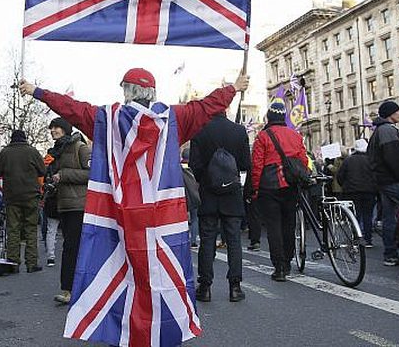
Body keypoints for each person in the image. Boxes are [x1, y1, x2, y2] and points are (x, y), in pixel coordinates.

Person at [19, 68, 249, 342]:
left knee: (118, 269)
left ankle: (122, 327)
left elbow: (72, 109)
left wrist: (38, 91)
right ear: (152, 92)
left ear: (127, 91)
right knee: (159, 272)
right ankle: (160, 326)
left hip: (118, 211)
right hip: (162, 214)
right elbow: (205, 107)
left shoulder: (107, 118)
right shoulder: (173, 118)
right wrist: (233, 88)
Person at [189, 111, 251, 302]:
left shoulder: (200, 131)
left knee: (207, 240)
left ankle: (205, 287)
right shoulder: (239, 131)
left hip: (209, 193)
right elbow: (245, 164)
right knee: (233, 241)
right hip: (231, 193)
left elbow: (194, 165)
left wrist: (208, 177)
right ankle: (235, 287)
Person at [251, 101, 308, 282]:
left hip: (269, 186)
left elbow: (257, 165)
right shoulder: (295, 135)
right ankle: (288, 261)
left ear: (269, 117)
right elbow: (303, 161)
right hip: (290, 185)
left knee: (273, 227)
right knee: (288, 224)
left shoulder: (263, 136)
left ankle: (279, 267)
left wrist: (255, 189)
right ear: (283, 117)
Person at [45, 117, 91, 305]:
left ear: (65, 129)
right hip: (64, 204)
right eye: (52, 128)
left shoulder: (80, 147)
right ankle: (71, 289)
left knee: (73, 248)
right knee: (70, 248)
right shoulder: (57, 151)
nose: (53, 131)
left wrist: (63, 175)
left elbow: (93, 173)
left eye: (57, 127)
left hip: (79, 205)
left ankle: (70, 290)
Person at [0, 129, 46, 273]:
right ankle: (31, 263)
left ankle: (13, 263)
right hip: (31, 196)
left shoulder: (5, 152)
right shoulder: (32, 151)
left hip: (12, 196)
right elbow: (42, 171)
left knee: (13, 229)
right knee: (31, 229)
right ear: (25, 138)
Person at [367, 100, 399, 266]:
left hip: (383, 180)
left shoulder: (380, 130)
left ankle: (390, 253)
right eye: (398, 110)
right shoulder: (387, 131)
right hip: (391, 180)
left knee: (389, 218)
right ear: (391, 113)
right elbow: (394, 158)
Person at [337, 139, 378, 247]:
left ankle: (356, 238)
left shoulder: (348, 160)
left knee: (355, 216)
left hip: (352, 191)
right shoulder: (371, 160)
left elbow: (340, 176)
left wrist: (345, 186)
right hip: (369, 191)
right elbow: (376, 175)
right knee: (367, 216)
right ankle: (368, 239)